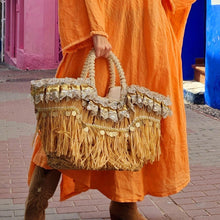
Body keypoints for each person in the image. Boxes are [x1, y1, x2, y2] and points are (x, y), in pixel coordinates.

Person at [25, 0, 196, 219]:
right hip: (108, 20)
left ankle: (125, 205)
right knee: (66, 118)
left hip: (148, 28)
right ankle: (36, 204)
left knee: (136, 120)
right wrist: (97, 29)